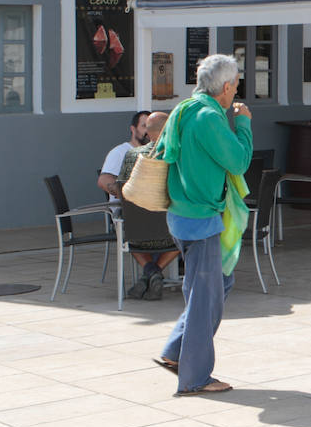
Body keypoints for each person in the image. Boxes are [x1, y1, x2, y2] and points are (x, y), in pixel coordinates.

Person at [156, 54, 253, 395]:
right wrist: (243, 124)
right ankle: (195, 377)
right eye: (236, 86)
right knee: (205, 299)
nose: (236, 92)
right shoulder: (210, 117)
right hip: (201, 219)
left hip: (181, 215)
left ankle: (175, 351)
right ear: (226, 87)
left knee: (218, 284)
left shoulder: (182, 110)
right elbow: (239, 161)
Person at [117, 111, 180, 301]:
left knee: (123, 224)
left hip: (136, 235)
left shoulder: (131, 155)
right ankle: (155, 271)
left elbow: (123, 189)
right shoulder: (178, 156)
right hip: (170, 234)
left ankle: (149, 273)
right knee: (189, 230)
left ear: (148, 133)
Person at [98, 110, 149, 198]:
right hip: (127, 209)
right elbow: (104, 180)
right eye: (144, 126)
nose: (149, 131)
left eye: (153, 127)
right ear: (133, 129)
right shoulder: (120, 152)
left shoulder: (161, 153)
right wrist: (127, 194)